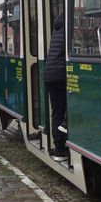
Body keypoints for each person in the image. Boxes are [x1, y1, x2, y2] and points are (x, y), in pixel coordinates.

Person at [44, 14, 68, 162]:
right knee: (75, 98)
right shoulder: (66, 31)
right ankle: (66, 123)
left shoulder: (56, 31)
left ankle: (59, 150)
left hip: (49, 74)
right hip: (60, 74)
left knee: (56, 112)